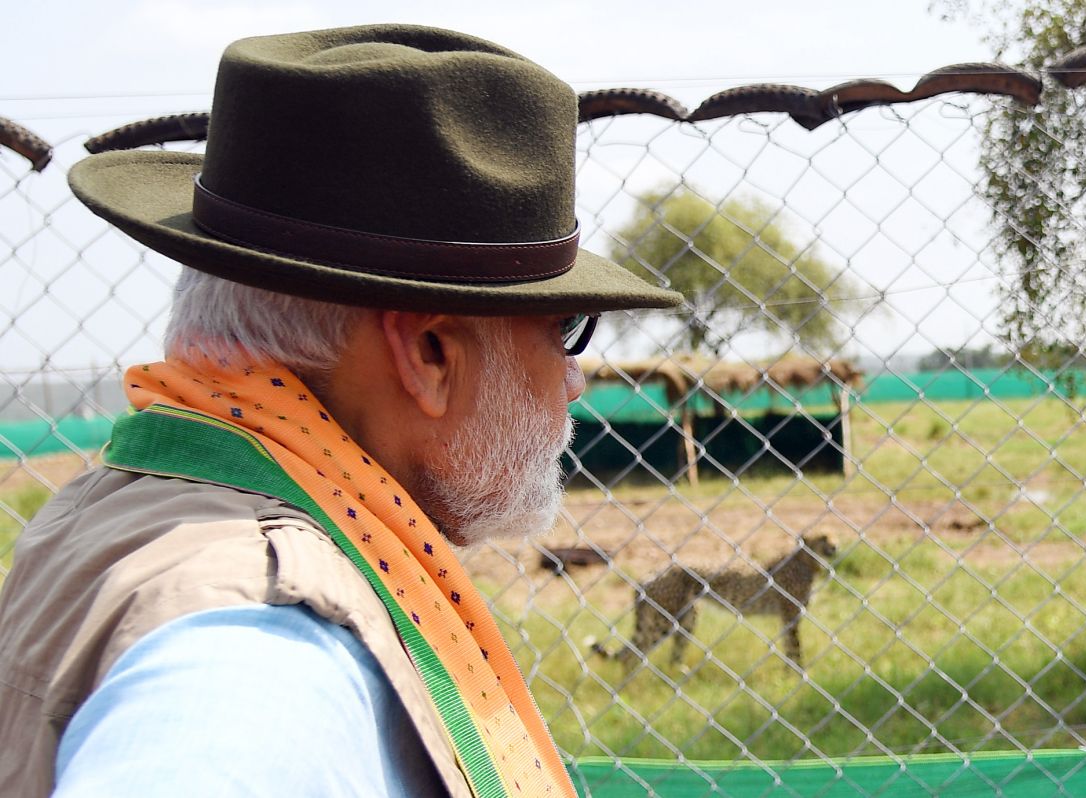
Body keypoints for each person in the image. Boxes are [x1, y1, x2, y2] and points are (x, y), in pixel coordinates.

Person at [0, 25, 681, 798]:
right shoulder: (268, 638)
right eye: (564, 330)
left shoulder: (118, 509)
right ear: (429, 354)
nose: (574, 380)